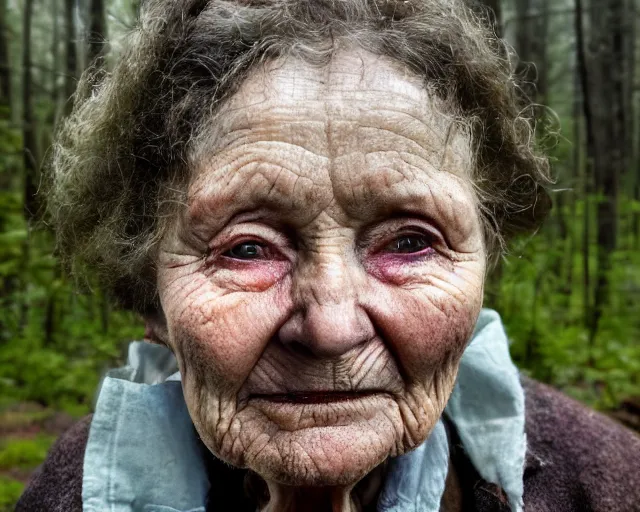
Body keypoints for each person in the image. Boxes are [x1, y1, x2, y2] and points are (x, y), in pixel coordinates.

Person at [17, 0, 640, 510]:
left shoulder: (610, 485)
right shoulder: (66, 496)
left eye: (409, 241)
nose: (332, 329)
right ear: (149, 296)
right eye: (249, 248)